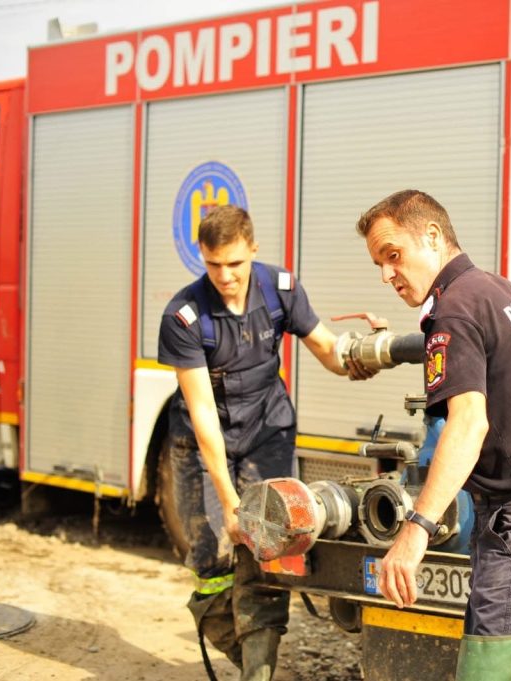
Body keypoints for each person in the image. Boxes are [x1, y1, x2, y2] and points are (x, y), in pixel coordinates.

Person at [357, 190, 511, 679]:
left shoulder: (453, 312)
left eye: (393, 255)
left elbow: (468, 423)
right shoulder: (498, 289)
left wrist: (415, 531)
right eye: (379, 264)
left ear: (432, 236)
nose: (386, 275)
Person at [158, 205, 373, 681]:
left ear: (253, 249)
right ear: (202, 256)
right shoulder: (184, 316)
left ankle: (259, 672)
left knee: (269, 547)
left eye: (235, 263)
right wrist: (230, 504)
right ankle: (247, 657)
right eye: (213, 265)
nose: (225, 276)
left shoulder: (280, 291)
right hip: (202, 446)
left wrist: (365, 357)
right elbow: (203, 414)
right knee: (212, 563)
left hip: (266, 434)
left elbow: (327, 349)